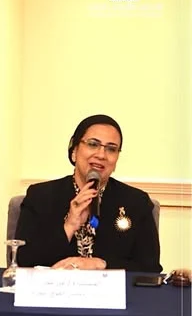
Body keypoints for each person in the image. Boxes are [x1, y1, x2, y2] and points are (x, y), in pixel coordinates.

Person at [15, 114, 162, 272]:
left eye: (111, 149)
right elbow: (23, 261)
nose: (101, 155)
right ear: (74, 150)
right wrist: (69, 225)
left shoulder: (137, 202)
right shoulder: (40, 196)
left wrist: (101, 264)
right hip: (54, 286)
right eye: (93, 144)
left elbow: (150, 268)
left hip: (110, 288)